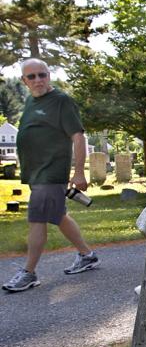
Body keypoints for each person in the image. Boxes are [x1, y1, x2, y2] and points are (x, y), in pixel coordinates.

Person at [3, 59, 99, 293]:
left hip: (51, 172)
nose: (38, 80)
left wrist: (78, 172)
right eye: (32, 77)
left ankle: (29, 272)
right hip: (36, 173)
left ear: (49, 76)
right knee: (59, 216)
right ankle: (87, 255)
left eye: (42, 75)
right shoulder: (31, 100)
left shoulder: (61, 101)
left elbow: (78, 137)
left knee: (37, 219)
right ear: (24, 81)